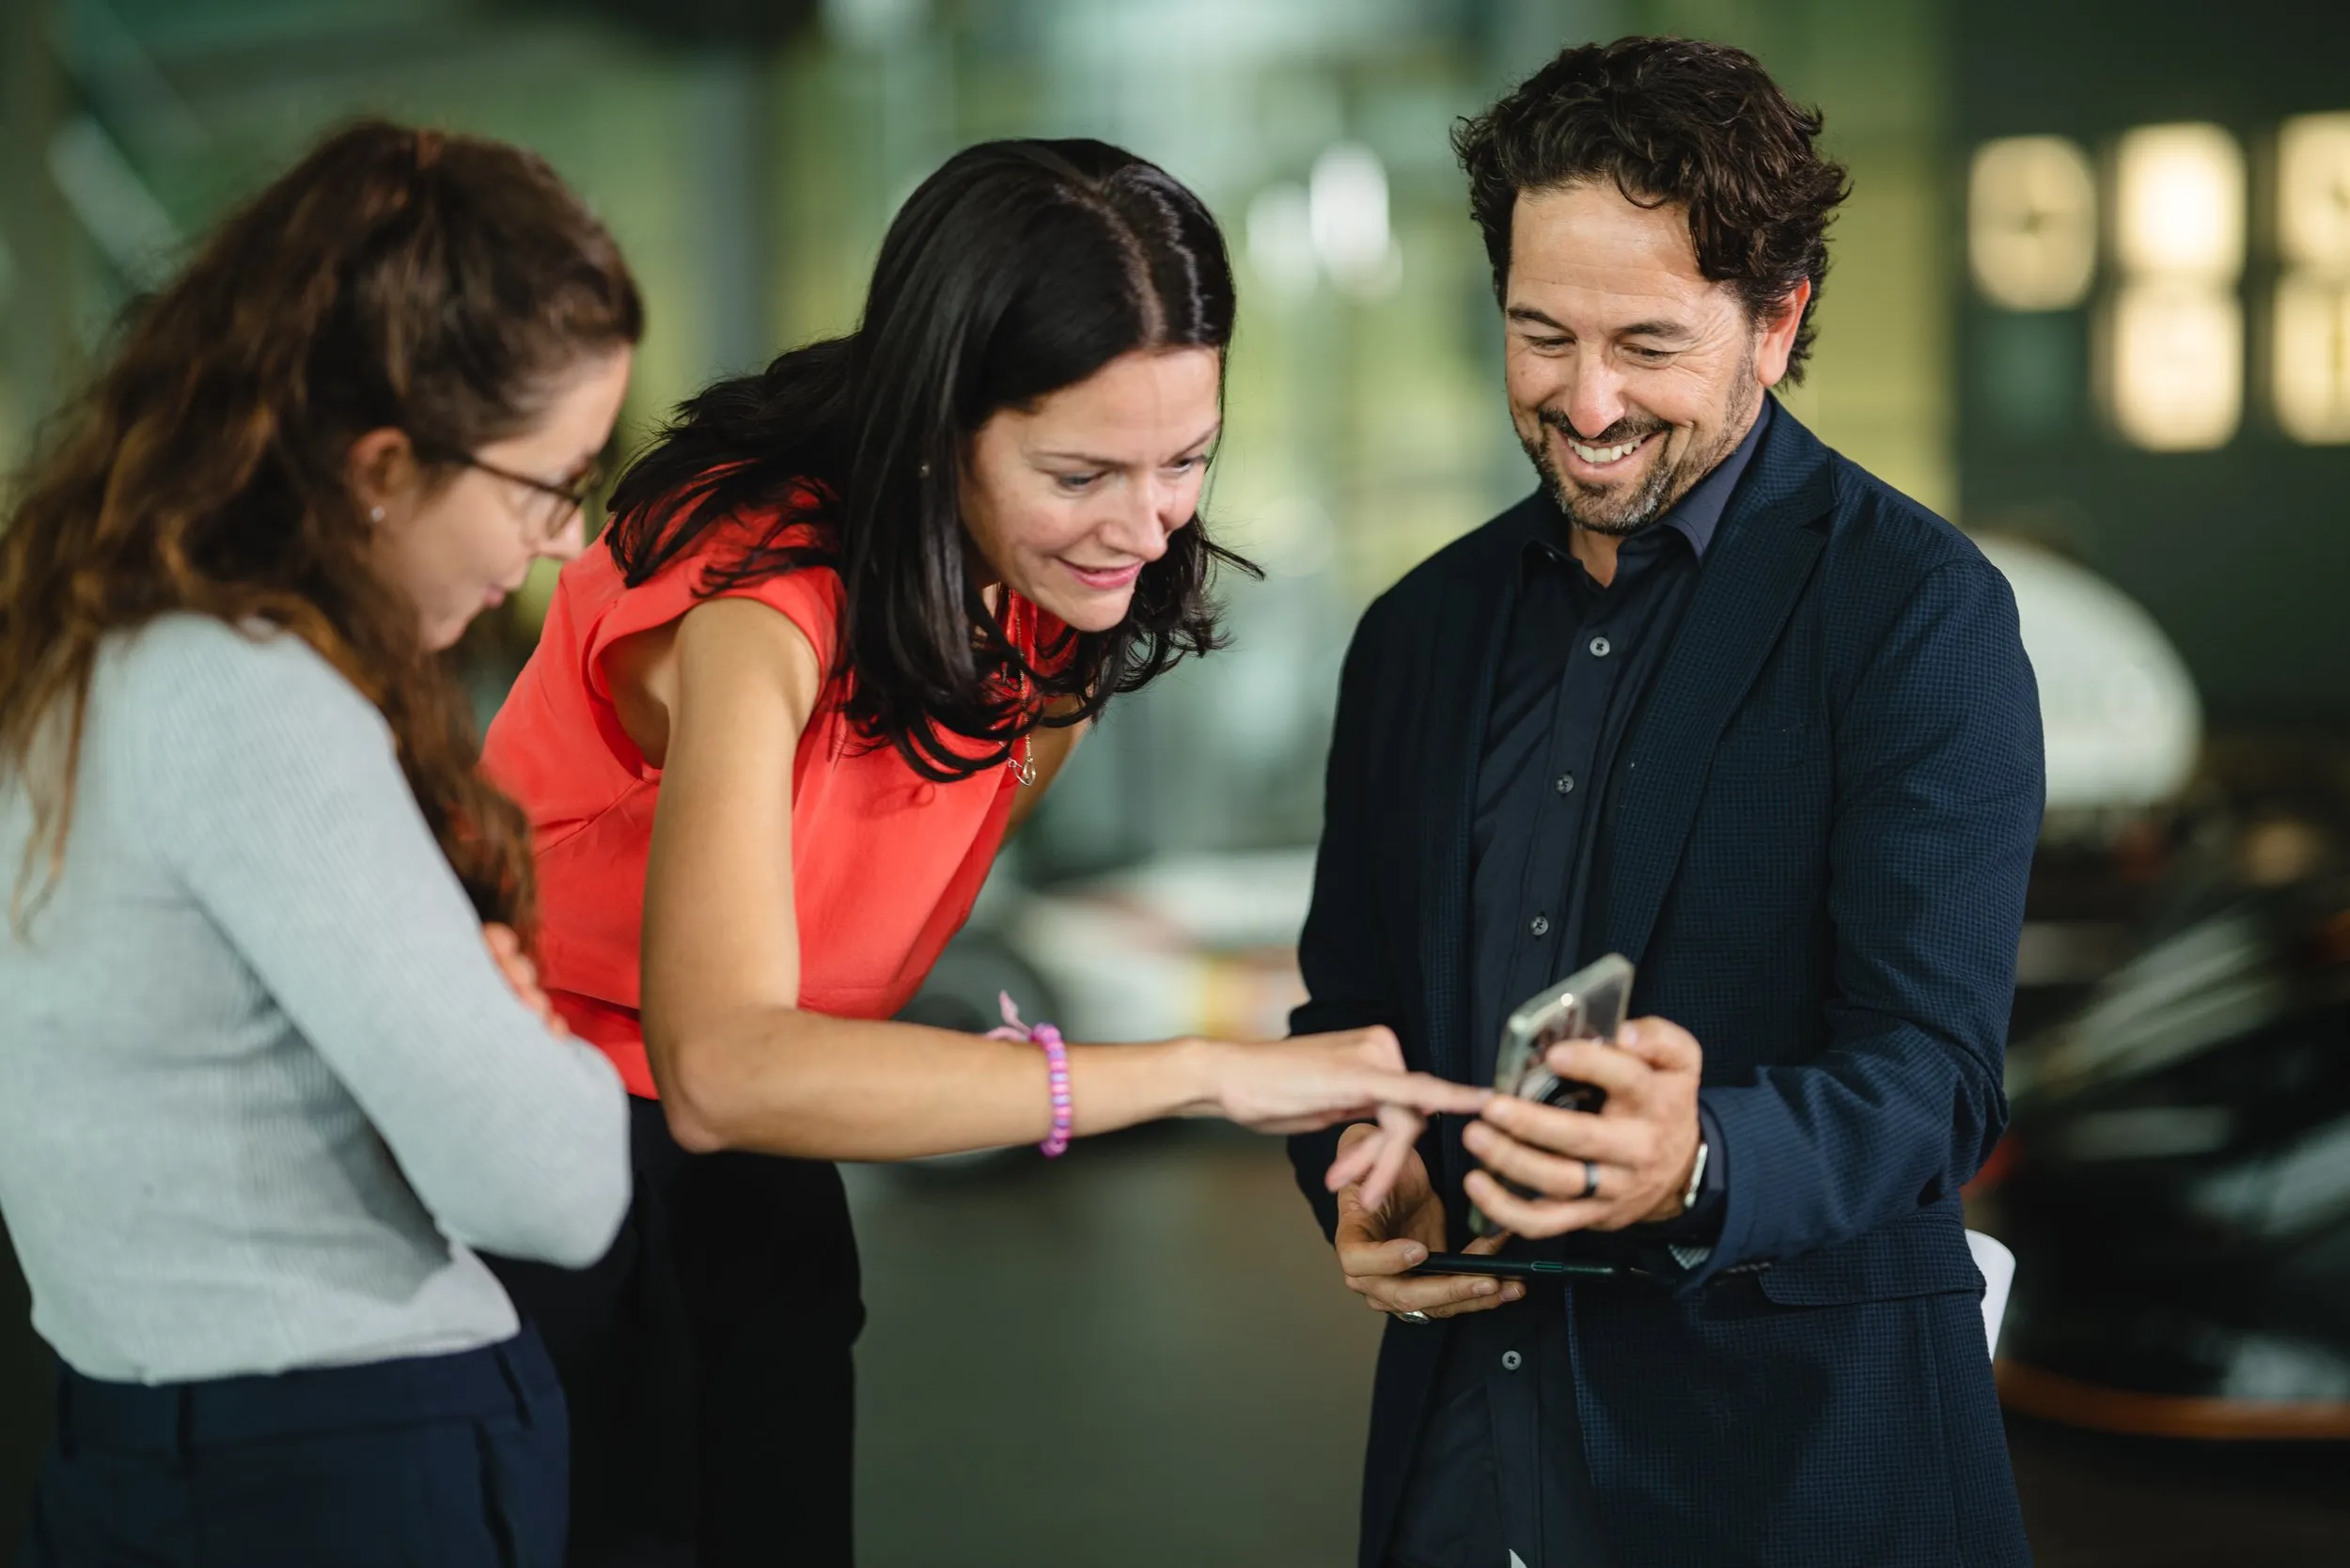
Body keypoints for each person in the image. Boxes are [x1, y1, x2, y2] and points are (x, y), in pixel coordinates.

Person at [479, 135, 1484, 1566]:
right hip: (532, 1161)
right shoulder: (758, 612)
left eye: (1187, 459)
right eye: (1082, 469)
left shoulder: (1048, 617)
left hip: (758, 1172)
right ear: (942, 424)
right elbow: (723, 1068)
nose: (1146, 524)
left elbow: (838, 982)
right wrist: (1211, 1072)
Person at [1287, 38, 2044, 1568]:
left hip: (1793, 1466)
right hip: (1468, 1450)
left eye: (1646, 343)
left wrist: (1698, 1162)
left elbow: (1935, 1074)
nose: (1585, 400)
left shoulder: (1915, 614)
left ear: (1778, 322)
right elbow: (1347, 1009)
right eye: (1539, 334)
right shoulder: (1415, 635)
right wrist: (1362, 1174)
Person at [0, 121, 643, 1565]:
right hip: (341, 1467)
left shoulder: (72, 662)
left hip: (141, 1441)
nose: (557, 541)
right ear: (381, 465)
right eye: (550, 480)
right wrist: (519, 1032)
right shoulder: (256, 700)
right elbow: (557, 1186)